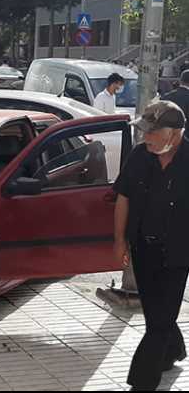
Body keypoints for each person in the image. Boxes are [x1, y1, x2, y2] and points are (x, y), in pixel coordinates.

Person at [113, 101, 189, 391]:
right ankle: (172, 351)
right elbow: (123, 198)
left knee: (160, 320)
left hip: (179, 253)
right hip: (144, 249)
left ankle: (142, 382)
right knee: (156, 312)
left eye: (151, 133)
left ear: (174, 133)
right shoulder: (139, 156)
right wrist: (119, 241)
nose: (146, 137)